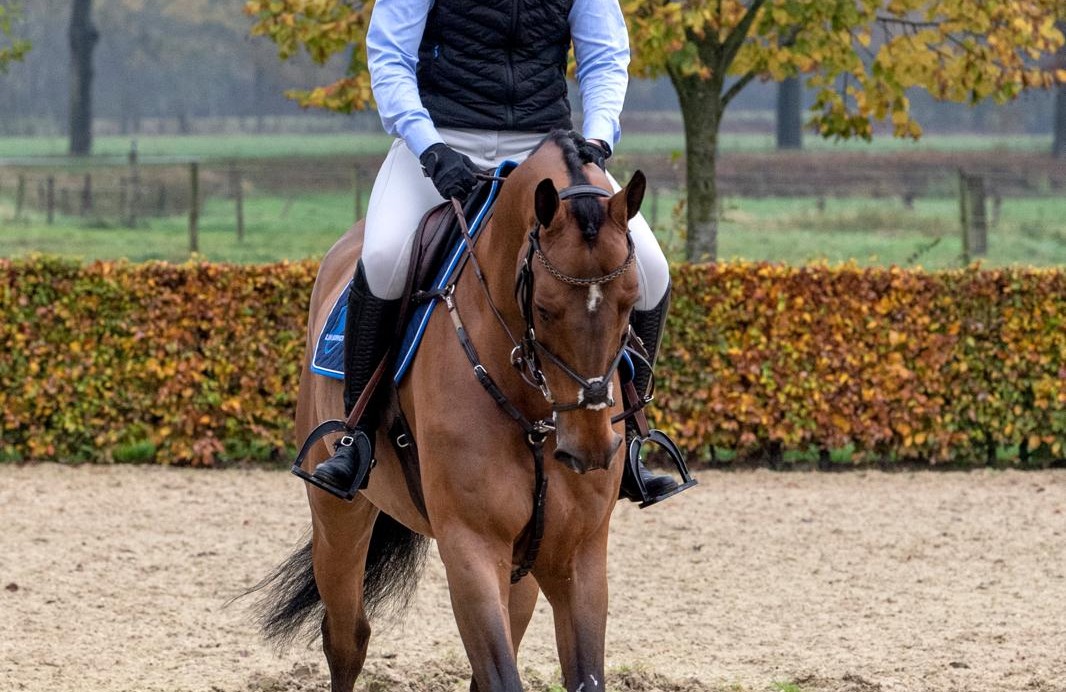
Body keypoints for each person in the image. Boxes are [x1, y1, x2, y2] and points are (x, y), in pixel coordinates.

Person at [308, 0, 681, 503]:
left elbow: (605, 56)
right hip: (443, 138)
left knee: (652, 271)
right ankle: (356, 435)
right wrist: (429, 147)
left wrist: (597, 137)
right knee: (383, 258)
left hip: (546, 147)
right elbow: (390, 58)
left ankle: (634, 432)